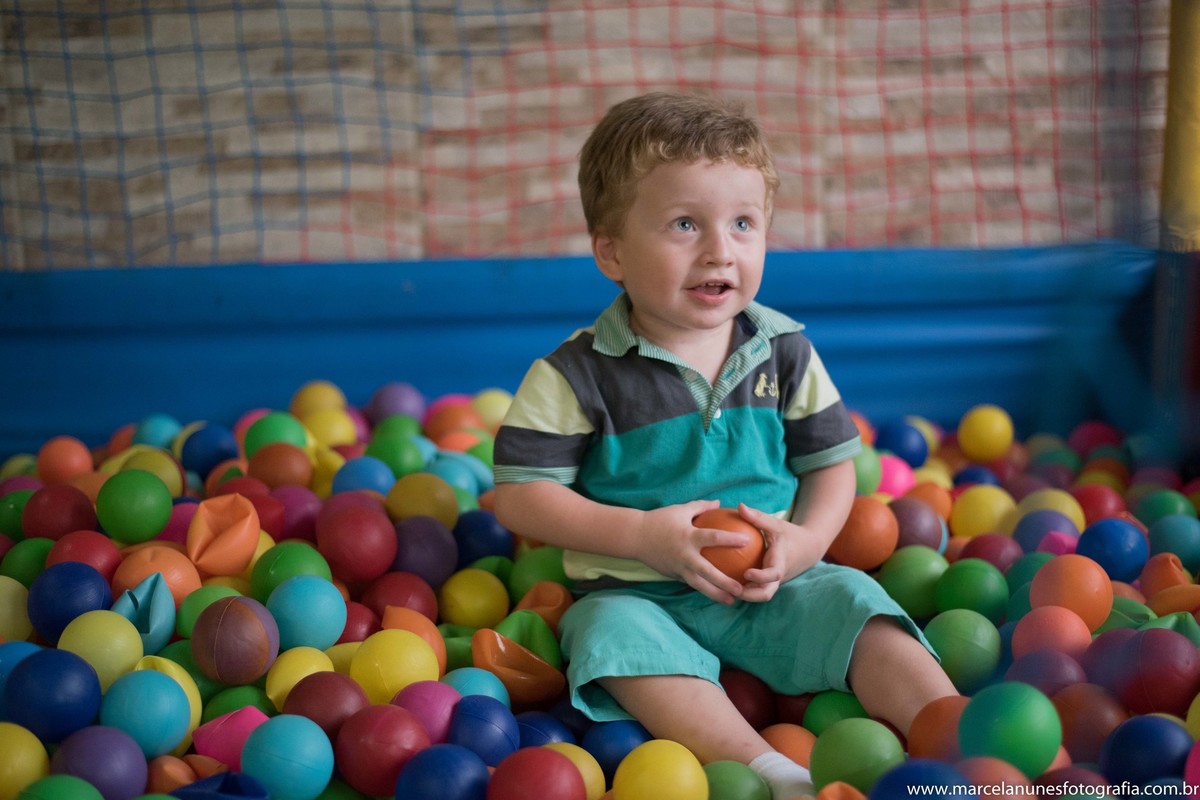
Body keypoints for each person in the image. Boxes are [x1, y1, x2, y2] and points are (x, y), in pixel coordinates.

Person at [491, 92, 957, 799]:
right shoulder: (575, 373)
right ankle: (771, 771)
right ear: (612, 251)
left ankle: (954, 738)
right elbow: (521, 496)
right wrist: (641, 535)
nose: (721, 250)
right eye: (685, 224)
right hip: (636, 589)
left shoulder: (785, 350)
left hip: (773, 584)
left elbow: (831, 466)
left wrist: (803, 545)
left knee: (859, 602)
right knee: (609, 640)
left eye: (743, 224)